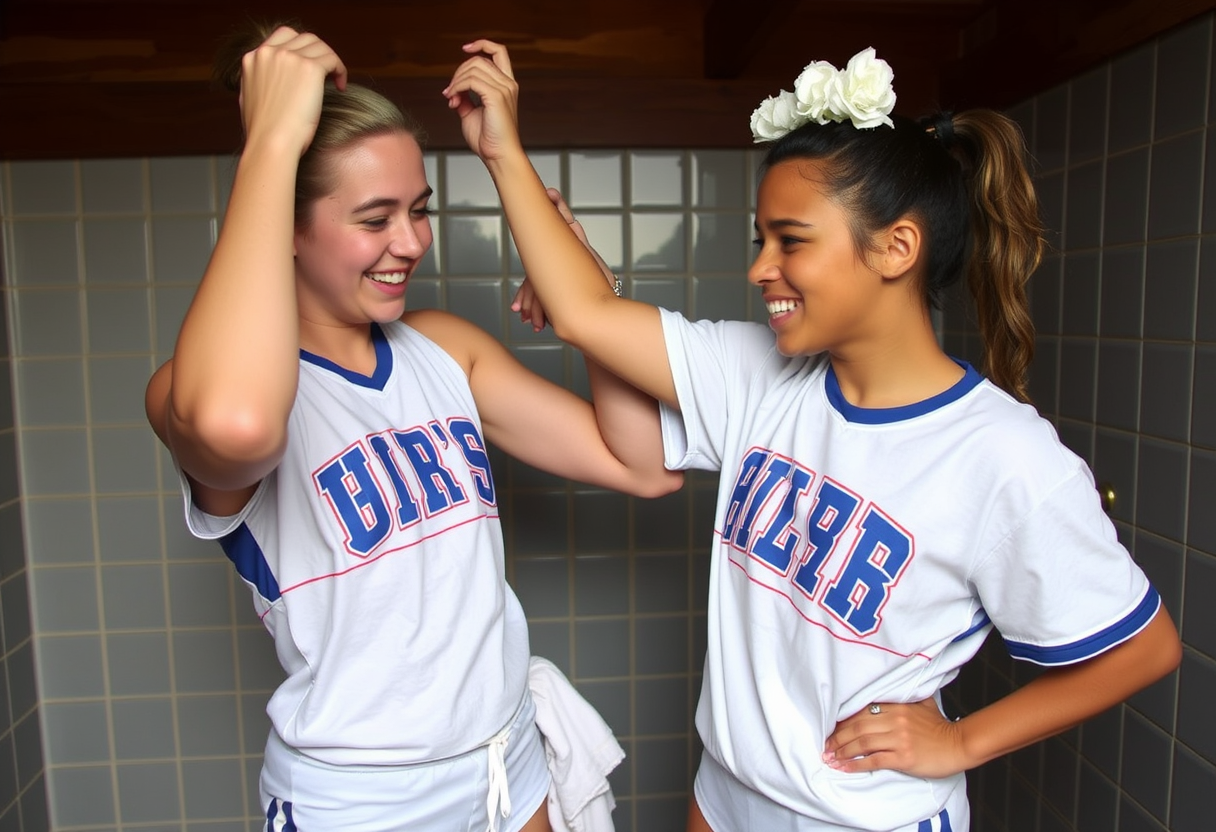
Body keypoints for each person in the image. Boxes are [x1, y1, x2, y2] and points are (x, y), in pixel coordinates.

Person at [443, 41, 1184, 832]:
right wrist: (503, 154)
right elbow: (589, 314)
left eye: (791, 241)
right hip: (724, 795)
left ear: (897, 248)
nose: (762, 267)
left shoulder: (1004, 456)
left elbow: (1144, 649)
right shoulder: (762, 375)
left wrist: (961, 740)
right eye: (760, 240)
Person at [143, 22, 681, 832]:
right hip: (361, 800)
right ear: (286, 225)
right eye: (374, 217)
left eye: (419, 210)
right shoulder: (193, 390)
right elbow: (238, 424)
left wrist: (585, 306)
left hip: (507, 760)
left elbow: (644, 465)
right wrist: (268, 148)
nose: (411, 242)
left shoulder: (441, 349)